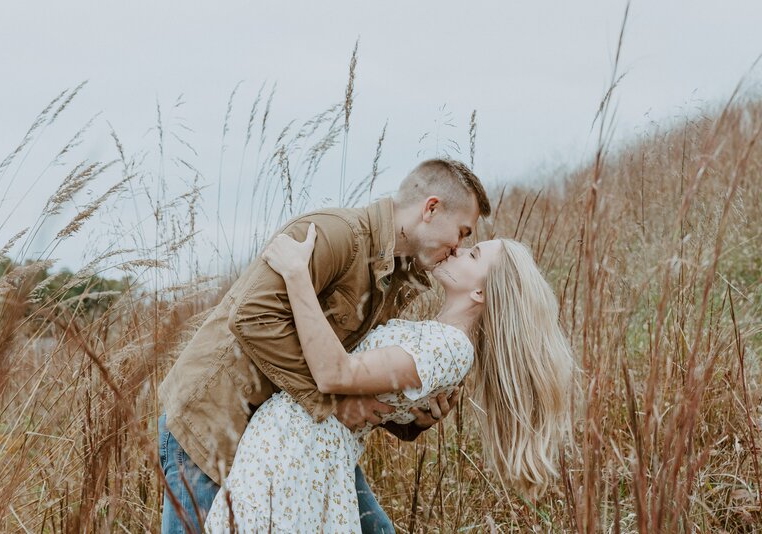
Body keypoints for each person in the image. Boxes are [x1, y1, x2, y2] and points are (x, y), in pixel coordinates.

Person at [158, 159, 492, 533]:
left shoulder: (399, 277)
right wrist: (334, 403)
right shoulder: (334, 235)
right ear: (431, 208)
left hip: (297, 439)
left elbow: (358, 373)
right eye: (462, 232)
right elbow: (252, 317)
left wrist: (411, 419)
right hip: (215, 428)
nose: (459, 247)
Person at [204, 227, 575, 532]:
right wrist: (414, 420)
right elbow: (380, 399)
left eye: (474, 255)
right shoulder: (436, 338)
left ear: (480, 292)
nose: (459, 251)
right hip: (296, 451)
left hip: (296, 457)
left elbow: (335, 373)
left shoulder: (449, 348)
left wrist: (297, 274)